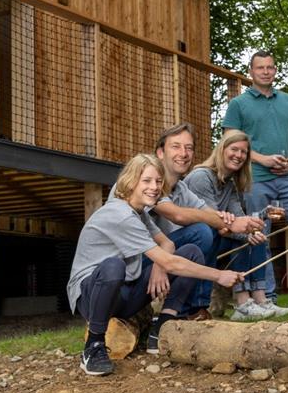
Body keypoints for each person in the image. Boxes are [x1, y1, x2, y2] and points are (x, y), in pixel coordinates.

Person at [67, 154, 244, 376]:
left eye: (158, 181)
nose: (154, 187)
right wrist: (218, 275)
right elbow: (169, 260)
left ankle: (162, 326)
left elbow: (167, 243)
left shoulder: (139, 211)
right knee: (113, 266)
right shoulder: (120, 214)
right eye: (147, 181)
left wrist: (159, 268)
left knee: (192, 252)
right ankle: (93, 346)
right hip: (91, 297)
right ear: (131, 181)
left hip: (125, 292)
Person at [223, 51, 288, 308]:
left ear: (275, 70)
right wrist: (262, 159)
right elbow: (230, 142)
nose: (266, 72)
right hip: (256, 178)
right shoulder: (239, 104)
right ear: (251, 71)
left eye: (270, 67)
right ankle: (267, 295)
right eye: (260, 68)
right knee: (259, 234)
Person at [149, 123, 263, 318]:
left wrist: (247, 227)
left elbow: (210, 213)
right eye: (176, 147)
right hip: (135, 260)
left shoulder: (183, 189)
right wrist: (228, 223)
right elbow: (177, 215)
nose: (183, 153)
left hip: (166, 251)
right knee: (204, 231)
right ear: (160, 152)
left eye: (189, 148)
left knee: (245, 238)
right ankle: (200, 305)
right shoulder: (149, 180)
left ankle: (191, 310)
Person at [184, 130, 288, 321]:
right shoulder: (201, 177)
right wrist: (244, 231)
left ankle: (260, 299)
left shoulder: (229, 184)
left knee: (256, 236)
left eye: (244, 152)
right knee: (240, 236)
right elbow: (213, 222)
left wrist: (261, 217)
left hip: (215, 235)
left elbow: (239, 219)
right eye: (234, 149)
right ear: (222, 149)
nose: (239, 155)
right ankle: (243, 304)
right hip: (196, 239)